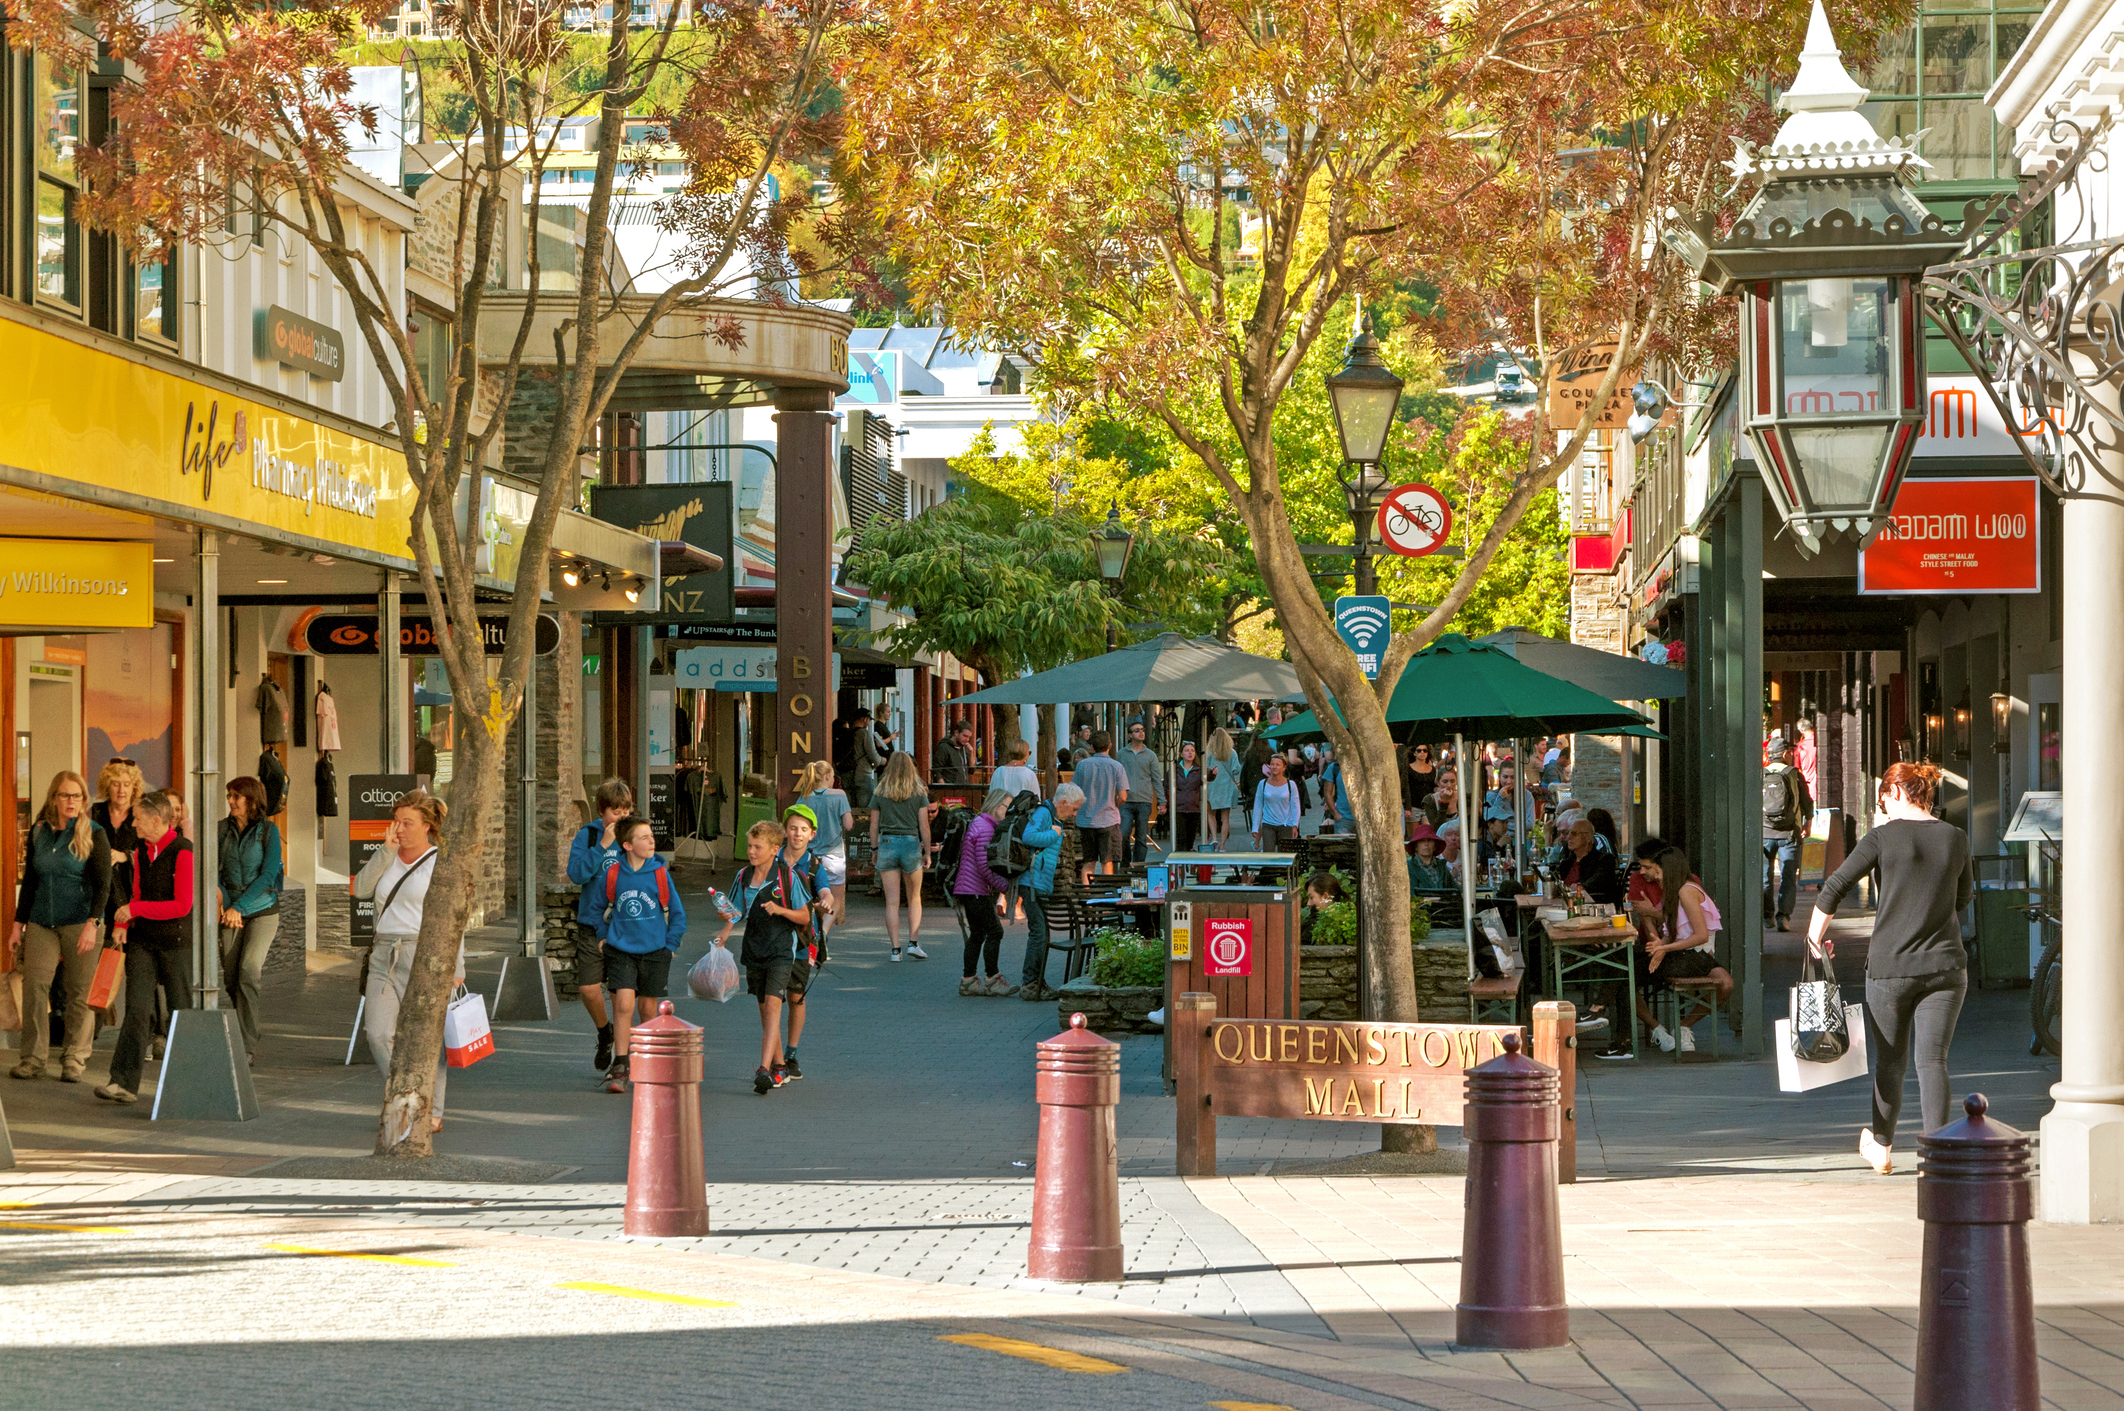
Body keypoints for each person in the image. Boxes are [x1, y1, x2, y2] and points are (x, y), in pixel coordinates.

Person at [1808, 761, 1972, 1176]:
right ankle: (1939, 1156)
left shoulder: (1881, 837)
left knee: (1891, 1062)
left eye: (1882, 797)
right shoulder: (1956, 838)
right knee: (1933, 1061)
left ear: (1896, 793)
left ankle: (1881, 1146)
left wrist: (1813, 943)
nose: (1880, 806)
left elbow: (1834, 887)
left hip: (1890, 967)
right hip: (1946, 964)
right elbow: (1963, 897)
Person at [348, 789, 458, 1131]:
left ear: (426, 826)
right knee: (378, 1033)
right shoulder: (388, 856)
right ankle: (403, 1094)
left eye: (407, 822)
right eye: (396, 821)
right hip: (383, 952)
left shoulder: (440, 861)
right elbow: (360, 890)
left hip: (424, 952)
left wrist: (458, 966)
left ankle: (432, 1110)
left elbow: (454, 916)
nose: (398, 828)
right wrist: (386, 851)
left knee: (426, 1036)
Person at [10, 771, 111, 1083]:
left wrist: (93, 924)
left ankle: (74, 1059)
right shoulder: (39, 831)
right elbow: (30, 882)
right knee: (35, 987)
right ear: (54, 798)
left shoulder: (94, 832)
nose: (72, 801)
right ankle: (33, 1058)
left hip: (80, 921)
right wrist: (18, 925)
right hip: (42, 921)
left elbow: (103, 885)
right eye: (66, 795)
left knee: (79, 991)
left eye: (77, 796)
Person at [98, 789, 189, 1105]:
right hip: (143, 942)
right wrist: (123, 924)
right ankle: (122, 1083)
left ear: (156, 820)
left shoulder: (183, 852)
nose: (132, 823)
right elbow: (135, 894)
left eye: (137, 818)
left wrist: (135, 911)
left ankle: (187, 1084)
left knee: (181, 1011)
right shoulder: (141, 849)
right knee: (137, 1008)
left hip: (176, 943)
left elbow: (181, 905)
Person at [719, 819, 813, 1094]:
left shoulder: (787, 877)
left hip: (782, 950)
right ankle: (780, 1065)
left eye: (757, 847)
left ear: (774, 849)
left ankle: (763, 1069)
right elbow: (736, 911)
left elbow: (805, 916)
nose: (751, 851)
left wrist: (781, 910)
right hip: (754, 949)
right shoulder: (743, 876)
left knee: (773, 1006)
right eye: (749, 846)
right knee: (765, 1011)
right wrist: (724, 928)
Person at [597, 815, 687, 1093]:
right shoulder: (613, 874)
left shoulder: (660, 873)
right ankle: (621, 1064)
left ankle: (649, 1061)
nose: (652, 841)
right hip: (621, 949)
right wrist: (603, 937)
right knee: (623, 1004)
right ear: (627, 845)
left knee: (648, 1009)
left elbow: (678, 914)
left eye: (651, 835)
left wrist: (670, 946)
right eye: (644, 837)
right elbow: (596, 908)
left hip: (655, 951)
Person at [566, 780, 636, 1072]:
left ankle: (623, 1056)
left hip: (624, 926)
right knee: (588, 988)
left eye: (625, 811)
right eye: (614, 812)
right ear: (601, 811)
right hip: (592, 924)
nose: (620, 818)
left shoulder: (634, 836)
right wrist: (603, 847)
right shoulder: (590, 835)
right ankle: (603, 1030)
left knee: (620, 993)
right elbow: (576, 874)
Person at [1638, 844, 1734, 1054]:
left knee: (1726, 984)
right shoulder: (1673, 891)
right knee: (1625, 973)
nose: (1646, 872)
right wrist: (1660, 944)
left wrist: (1665, 948)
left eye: (1652, 867)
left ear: (1665, 868)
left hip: (1693, 955)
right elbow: (1672, 932)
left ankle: (1683, 1026)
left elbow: (1700, 935)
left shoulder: (1686, 890)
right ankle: (1660, 1030)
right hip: (1687, 955)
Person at [216, 775, 284, 1064]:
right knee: (232, 979)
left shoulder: (268, 831)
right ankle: (248, 1025)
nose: (230, 801)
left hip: (262, 909)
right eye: (229, 796)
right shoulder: (222, 829)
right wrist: (226, 903)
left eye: (235, 796)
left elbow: (268, 876)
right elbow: (213, 871)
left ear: (251, 800)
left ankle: (246, 1046)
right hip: (229, 909)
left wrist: (240, 907)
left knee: (249, 970)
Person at [776, 804, 833, 1080]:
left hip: (801, 942)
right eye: (793, 828)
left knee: (795, 998)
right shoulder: (770, 859)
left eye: (803, 830)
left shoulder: (813, 865)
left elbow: (825, 891)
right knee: (771, 1000)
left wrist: (826, 902)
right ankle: (774, 1058)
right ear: (785, 830)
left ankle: (791, 1054)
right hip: (771, 942)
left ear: (812, 834)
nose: (798, 834)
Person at [1018, 783, 1079, 1002]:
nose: (1074, 814)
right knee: (1039, 933)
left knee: (1041, 933)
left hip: (1040, 882)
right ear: (1063, 802)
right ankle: (1030, 983)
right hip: (1033, 881)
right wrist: (1054, 834)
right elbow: (1029, 837)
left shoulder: (1052, 817)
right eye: (1074, 808)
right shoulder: (1045, 814)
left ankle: (1036, 982)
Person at [869, 752, 933, 961]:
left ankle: (895, 950)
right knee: (914, 897)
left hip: (887, 843)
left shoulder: (880, 791)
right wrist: (927, 851)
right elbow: (924, 825)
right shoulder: (918, 792)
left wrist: (874, 849)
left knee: (892, 902)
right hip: (911, 843)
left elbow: (873, 825)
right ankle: (913, 943)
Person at [953, 790, 1016, 997]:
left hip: (968, 888)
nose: (1009, 812)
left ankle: (969, 979)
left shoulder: (982, 824)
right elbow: (985, 866)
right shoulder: (985, 829)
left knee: (978, 934)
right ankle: (992, 978)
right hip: (975, 890)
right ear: (997, 806)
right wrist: (1005, 887)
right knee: (995, 932)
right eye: (1008, 807)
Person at [796, 760, 855, 935]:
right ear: (828, 776)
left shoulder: (803, 798)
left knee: (808, 896)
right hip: (833, 855)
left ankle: (810, 931)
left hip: (809, 856)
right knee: (835, 898)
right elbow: (849, 824)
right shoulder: (839, 795)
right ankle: (823, 932)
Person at [91, 759, 146, 944]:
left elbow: (151, 853)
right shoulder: (95, 813)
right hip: (100, 894)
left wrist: (126, 856)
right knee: (104, 961)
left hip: (132, 894)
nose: (121, 790)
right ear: (107, 787)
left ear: (134, 787)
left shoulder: (141, 814)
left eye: (126, 784)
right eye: (116, 784)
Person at [1763, 735, 1813, 930]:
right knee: (1788, 876)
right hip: (1789, 834)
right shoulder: (1794, 773)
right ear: (1784, 754)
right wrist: (1808, 823)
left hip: (1765, 833)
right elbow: (1806, 801)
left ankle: (1767, 916)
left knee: (1765, 877)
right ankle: (1783, 916)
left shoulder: (1762, 774)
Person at [1070, 730, 1129, 878]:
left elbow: (1074, 791)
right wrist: (1113, 804)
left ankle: (1086, 894)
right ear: (1109, 745)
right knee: (1107, 862)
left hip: (1086, 820)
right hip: (1108, 819)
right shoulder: (1117, 766)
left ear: (1091, 747)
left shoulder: (1082, 765)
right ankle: (1105, 894)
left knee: (1089, 862)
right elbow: (1123, 797)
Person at [1118, 720, 1165, 865]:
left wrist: (1162, 801)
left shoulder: (1150, 755)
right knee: (1123, 834)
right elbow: (1116, 776)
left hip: (1144, 800)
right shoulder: (1122, 754)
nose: (1141, 732)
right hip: (1126, 801)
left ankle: (1138, 865)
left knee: (1141, 836)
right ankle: (1125, 864)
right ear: (1130, 735)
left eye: (1142, 730)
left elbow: (1157, 779)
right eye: (1137, 730)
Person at [1548, 818, 1624, 905]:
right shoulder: (1566, 863)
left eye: (1574, 834)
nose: (1568, 837)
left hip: (1591, 908)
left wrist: (1580, 887)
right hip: (1563, 906)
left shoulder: (1604, 860)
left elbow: (1596, 882)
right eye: (1568, 833)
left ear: (1588, 838)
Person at [1251, 752, 1302, 851]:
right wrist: (1255, 827)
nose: (1274, 767)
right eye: (1272, 764)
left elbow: (1295, 806)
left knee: (1284, 855)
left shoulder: (1290, 785)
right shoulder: (1263, 784)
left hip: (1285, 824)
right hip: (1268, 824)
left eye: (1278, 764)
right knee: (1269, 853)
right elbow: (1258, 806)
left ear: (1284, 767)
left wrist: (1295, 825)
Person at [1204, 728, 1241, 849]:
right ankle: (1223, 845)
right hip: (1227, 787)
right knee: (1225, 818)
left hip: (1212, 786)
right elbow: (1236, 770)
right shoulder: (1231, 752)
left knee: (1211, 815)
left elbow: (1205, 769)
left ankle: (1214, 838)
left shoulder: (1208, 752)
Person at [845, 706, 888, 810]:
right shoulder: (865, 733)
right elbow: (872, 754)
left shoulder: (847, 733)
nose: (869, 722)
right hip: (863, 774)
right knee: (865, 808)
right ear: (864, 719)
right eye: (869, 720)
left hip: (847, 774)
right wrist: (882, 760)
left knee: (850, 807)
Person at [1172, 741, 1204, 853]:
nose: (1190, 753)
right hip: (1179, 807)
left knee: (1191, 837)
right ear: (1181, 754)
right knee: (1180, 837)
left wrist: (1212, 774)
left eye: (1192, 751)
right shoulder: (1174, 769)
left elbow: (1207, 777)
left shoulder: (1199, 769)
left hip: (1193, 807)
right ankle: (1180, 862)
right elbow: (1167, 785)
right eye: (1186, 750)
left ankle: (1187, 861)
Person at [1407, 822, 1454, 891]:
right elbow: (1411, 893)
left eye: (1429, 840)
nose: (1426, 844)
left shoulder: (1441, 866)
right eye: (1422, 841)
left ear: (1435, 846)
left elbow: (1454, 887)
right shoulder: (1409, 866)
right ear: (1416, 847)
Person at [1318, 744, 1349, 835]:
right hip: (1343, 818)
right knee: (1342, 846)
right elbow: (1327, 792)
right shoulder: (1334, 768)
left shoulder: (1363, 767)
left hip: (1361, 817)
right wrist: (1335, 814)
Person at [935, 719, 975, 784]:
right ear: (956, 733)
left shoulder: (964, 748)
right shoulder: (944, 747)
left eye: (969, 737)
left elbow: (972, 770)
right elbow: (937, 770)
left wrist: (971, 754)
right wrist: (943, 787)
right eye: (964, 736)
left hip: (963, 787)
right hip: (950, 787)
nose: (967, 739)